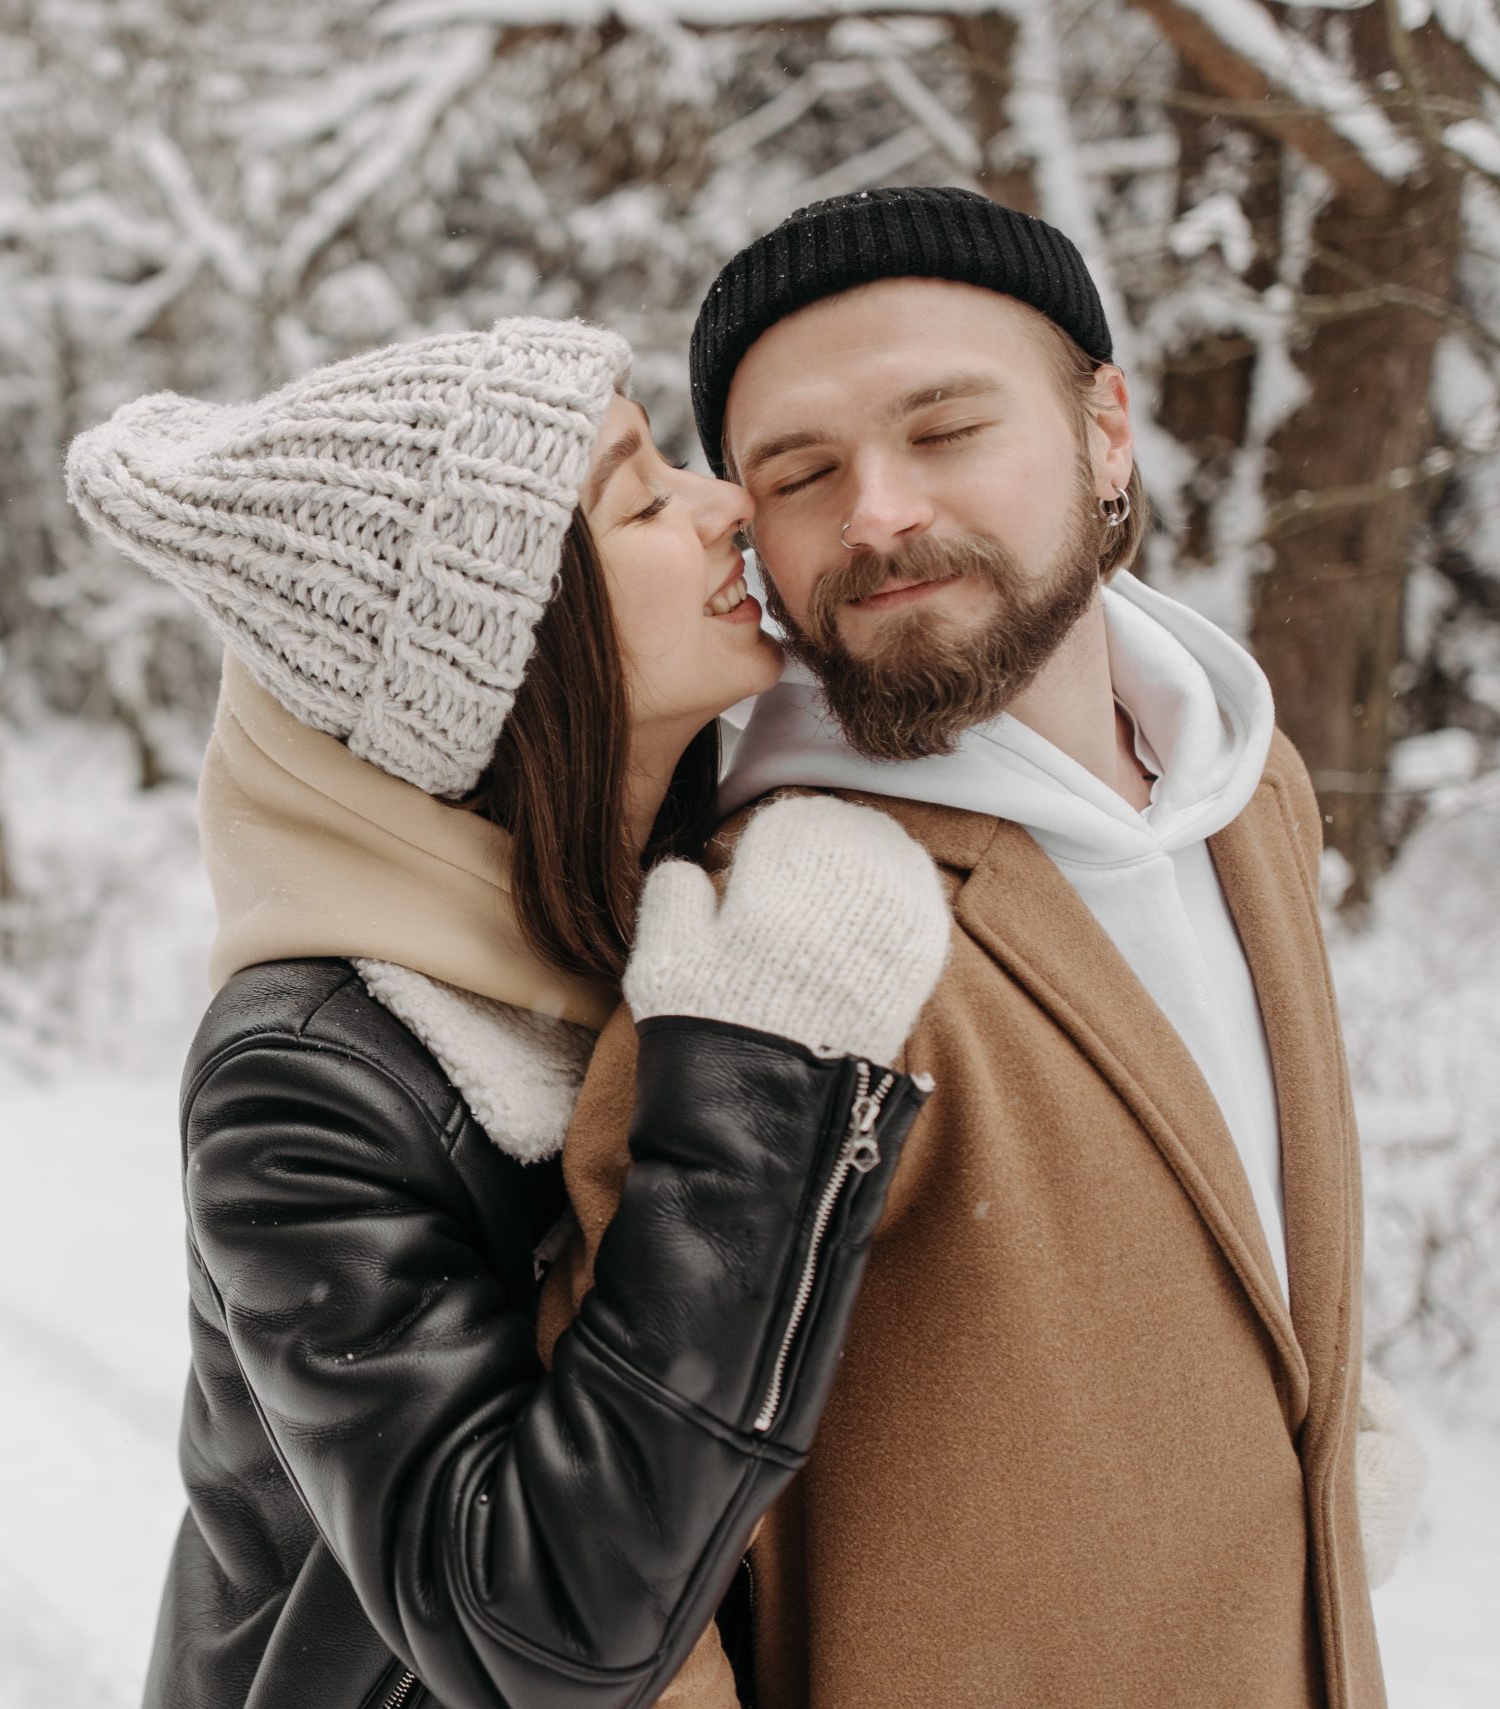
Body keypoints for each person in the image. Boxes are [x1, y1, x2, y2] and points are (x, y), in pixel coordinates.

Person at [551, 186, 1425, 1709]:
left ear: (1106, 432)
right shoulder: (780, 942)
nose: (878, 509)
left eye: (945, 428)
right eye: (803, 472)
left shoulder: (1246, 799)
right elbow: (617, 1610)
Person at [65, 319, 953, 1708]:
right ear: (509, 651)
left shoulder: (660, 908)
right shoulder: (306, 1085)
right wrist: (767, 1084)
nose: (724, 503)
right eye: (641, 499)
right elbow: (540, 1622)